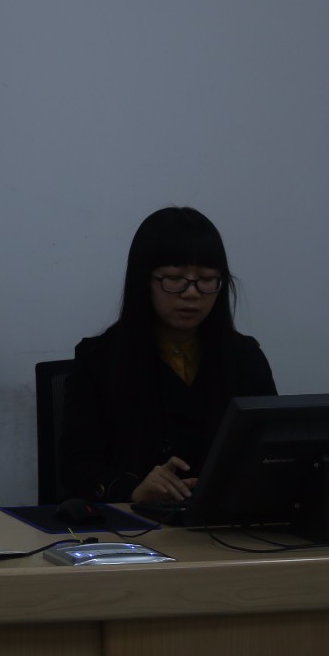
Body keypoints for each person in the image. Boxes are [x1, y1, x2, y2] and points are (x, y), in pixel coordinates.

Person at [58, 207, 276, 504]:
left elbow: (273, 453)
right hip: (134, 522)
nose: (191, 293)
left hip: (223, 519)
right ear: (144, 281)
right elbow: (76, 467)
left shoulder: (245, 358)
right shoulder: (99, 360)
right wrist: (132, 491)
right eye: (174, 279)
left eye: (207, 280)